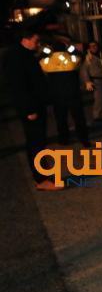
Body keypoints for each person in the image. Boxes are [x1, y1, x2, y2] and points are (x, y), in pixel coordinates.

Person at [4, 33, 60, 191]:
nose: (37, 44)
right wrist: (29, 109)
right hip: (31, 107)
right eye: (35, 41)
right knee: (35, 144)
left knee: (39, 143)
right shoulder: (16, 57)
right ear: (25, 40)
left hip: (36, 105)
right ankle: (41, 179)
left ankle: (44, 174)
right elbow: (18, 87)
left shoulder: (25, 55)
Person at [40, 41, 89, 146]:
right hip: (73, 93)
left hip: (57, 95)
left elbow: (39, 60)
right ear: (64, 48)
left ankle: (63, 139)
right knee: (79, 117)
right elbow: (81, 56)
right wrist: (71, 49)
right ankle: (84, 139)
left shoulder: (47, 61)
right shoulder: (72, 59)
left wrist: (46, 52)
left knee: (61, 118)